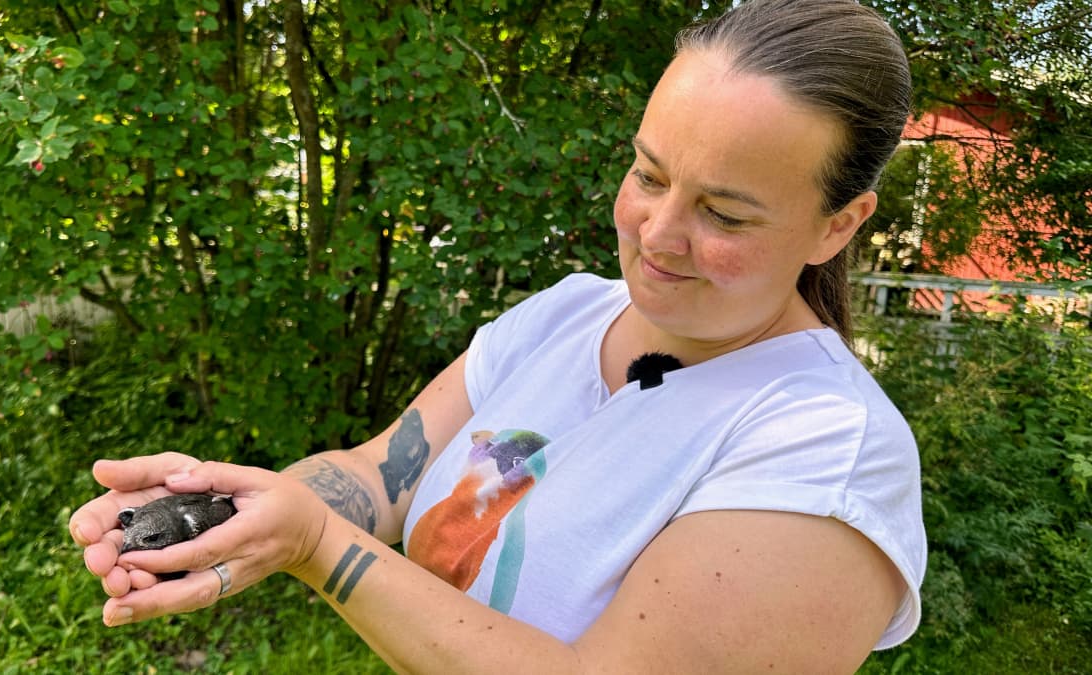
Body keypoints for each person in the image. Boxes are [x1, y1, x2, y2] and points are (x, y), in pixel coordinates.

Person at [69, 0, 926, 671]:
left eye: (724, 212)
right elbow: (384, 472)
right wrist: (221, 511)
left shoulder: (825, 451)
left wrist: (314, 544)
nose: (657, 234)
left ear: (837, 225)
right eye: (648, 173)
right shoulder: (568, 313)